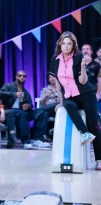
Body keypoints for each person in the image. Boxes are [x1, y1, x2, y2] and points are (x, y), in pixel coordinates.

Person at [49, 31, 101, 170]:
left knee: (94, 124)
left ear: (73, 45)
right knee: (68, 106)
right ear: (60, 44)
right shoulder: (55, 59)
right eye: (64, 43)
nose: (66, 46)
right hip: (69, 95)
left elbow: (83, 81)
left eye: (69, 44)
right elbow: (58, 83)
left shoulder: (78, 57)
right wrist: (60, 101)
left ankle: (100, 159)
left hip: (86, 93)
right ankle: (85, 134)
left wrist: (83, 66)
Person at [0, 70, 50, 148]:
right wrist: (14, 94)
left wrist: (28, 106)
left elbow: (31, 105)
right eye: (20, 75)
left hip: (22, 113)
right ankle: (26, 141)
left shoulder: (25, 92)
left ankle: (37, 139)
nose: (22, 77)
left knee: (41, 111)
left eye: (24, 76)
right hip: (9, 112)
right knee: (21, 113)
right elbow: (0, 93)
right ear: (16, 77)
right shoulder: (8, 86)